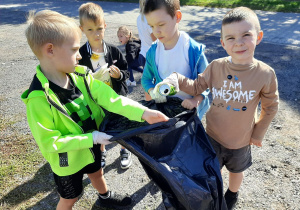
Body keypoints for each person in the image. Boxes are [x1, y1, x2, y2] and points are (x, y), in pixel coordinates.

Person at [21, 10, 169, 210]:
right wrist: (93, 138)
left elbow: (112, 100)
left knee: (97, 172)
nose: (80, 55)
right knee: (70, 198)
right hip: (68, 161)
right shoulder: (38, 99)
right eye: (74, 50)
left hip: (92, 146)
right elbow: (50, 142)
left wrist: (144, 112)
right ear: (50, 50)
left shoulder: (82, 77)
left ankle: (105, 197)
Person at [156, 7, 279, 210]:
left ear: (258, 37)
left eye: (246, 35)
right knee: (212, 169)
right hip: (212, 135)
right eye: (230, 38)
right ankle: (214, 192)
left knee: (236, 170)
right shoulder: (216, 67)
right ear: (222, 43)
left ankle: (232, 194)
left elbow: (271, 106)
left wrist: (258, 133)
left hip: (241, 140)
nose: (238, 42)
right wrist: (176, 79)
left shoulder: (265, 74)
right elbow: (197, 87)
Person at [78, 3, 132, 170]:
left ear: (105, 26)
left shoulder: (114, 51)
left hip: (117, 95)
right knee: (101, 124)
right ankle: (102, 151)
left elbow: (126, 71)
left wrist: (119, 75)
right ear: (82, 29)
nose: (96, 34)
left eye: (99, 29)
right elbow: (77, 77)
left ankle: (125, 149)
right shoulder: (81, 55)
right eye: (90, 30)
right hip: (96, 99)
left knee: (121, 123)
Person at [141, 0, 210, 119]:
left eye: (161, 24)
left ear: (177, 17)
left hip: (189, 112)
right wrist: (152, 91)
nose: (156, 31)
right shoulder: (153, 52)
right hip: (165, 112)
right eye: (151, 26)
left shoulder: (193, 50)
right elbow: (146, 78)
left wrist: (196, 100)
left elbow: (207, 82)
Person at [137, 0, 157, 100]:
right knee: (152, 86)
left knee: (148, 85)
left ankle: (149, 106)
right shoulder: (150, 18)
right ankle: (152, 108)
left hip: (143, 54)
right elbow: (156, 41)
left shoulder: (140, 17)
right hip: (151, 56)